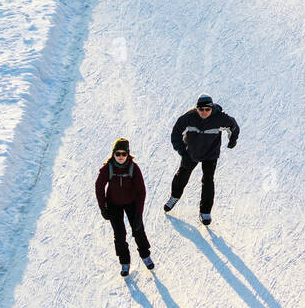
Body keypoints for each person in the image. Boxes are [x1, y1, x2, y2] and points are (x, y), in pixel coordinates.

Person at [165, 95, 239, 225]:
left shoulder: (220, 118)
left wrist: (233, 140)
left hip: (210, 154)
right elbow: (175, 134)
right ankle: (174, 197)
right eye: (201, 109)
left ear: (211, 108)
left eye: (207, 109)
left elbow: (233, 126)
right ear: (197, 108)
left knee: (208, 180)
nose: (204, 112)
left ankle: (205, 211)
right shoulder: (188, 118)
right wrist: (183, 153)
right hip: (192, 152)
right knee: (182, 174)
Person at [96, 139, 153, 277]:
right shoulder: (108, 168)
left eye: (123, 154)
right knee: (119, 234)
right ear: (113, 154)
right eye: (118, 154)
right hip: (113, 203)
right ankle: (125, 262)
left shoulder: (133, 168)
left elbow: (141, 192)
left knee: (138, 229)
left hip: (131, 202)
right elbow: (99, 187)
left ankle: (145, 255)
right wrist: (103, 207)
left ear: (128, 154)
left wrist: (139, 214)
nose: (120, 157)